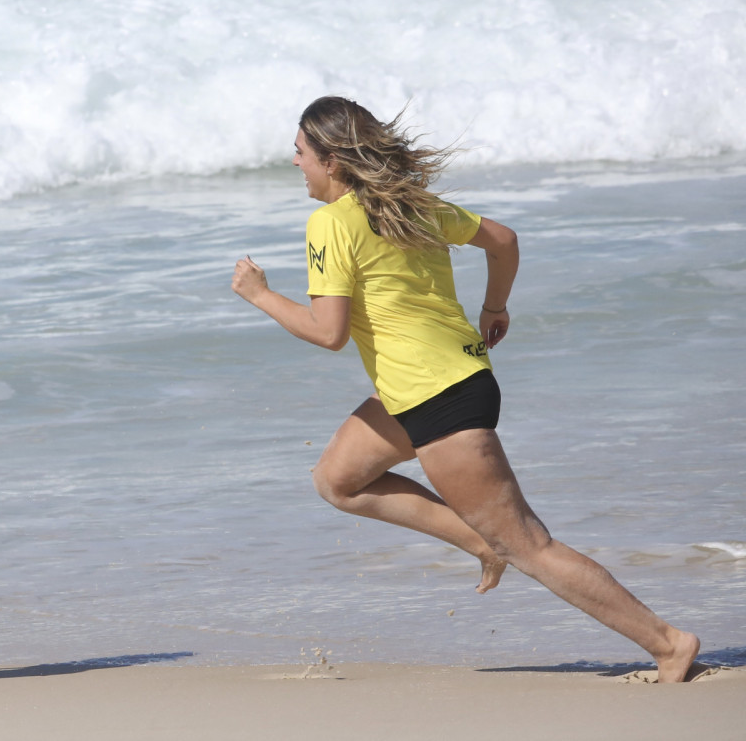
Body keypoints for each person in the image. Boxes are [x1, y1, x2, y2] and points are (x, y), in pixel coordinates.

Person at [231, 96, 700, 682]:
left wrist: (260, 296)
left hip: (438, 399)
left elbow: (329, 334)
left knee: (529, 546)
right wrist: (495, 306)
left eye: (300, 152)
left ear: (332, 161)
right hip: (446, 382)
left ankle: (668, 642)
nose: (294, 161)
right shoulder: (410, 204)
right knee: (338, 479)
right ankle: (479, 541)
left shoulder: (328, 224)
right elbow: (503, 241)